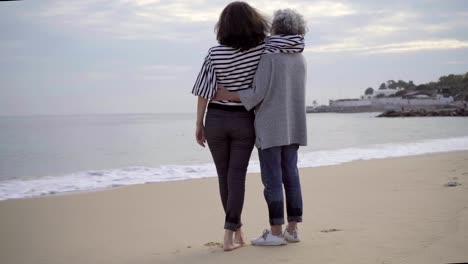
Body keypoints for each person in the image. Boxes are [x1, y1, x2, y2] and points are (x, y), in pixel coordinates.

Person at [214, 9, 307, 246]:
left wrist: (229, 94)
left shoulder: (269, 57)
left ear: (276, 27)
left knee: (273, 180)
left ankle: (275, 233)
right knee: (291, 176)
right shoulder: (300, 56)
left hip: (270, 127)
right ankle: (292, 230)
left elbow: (256, 94)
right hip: (294, 125)